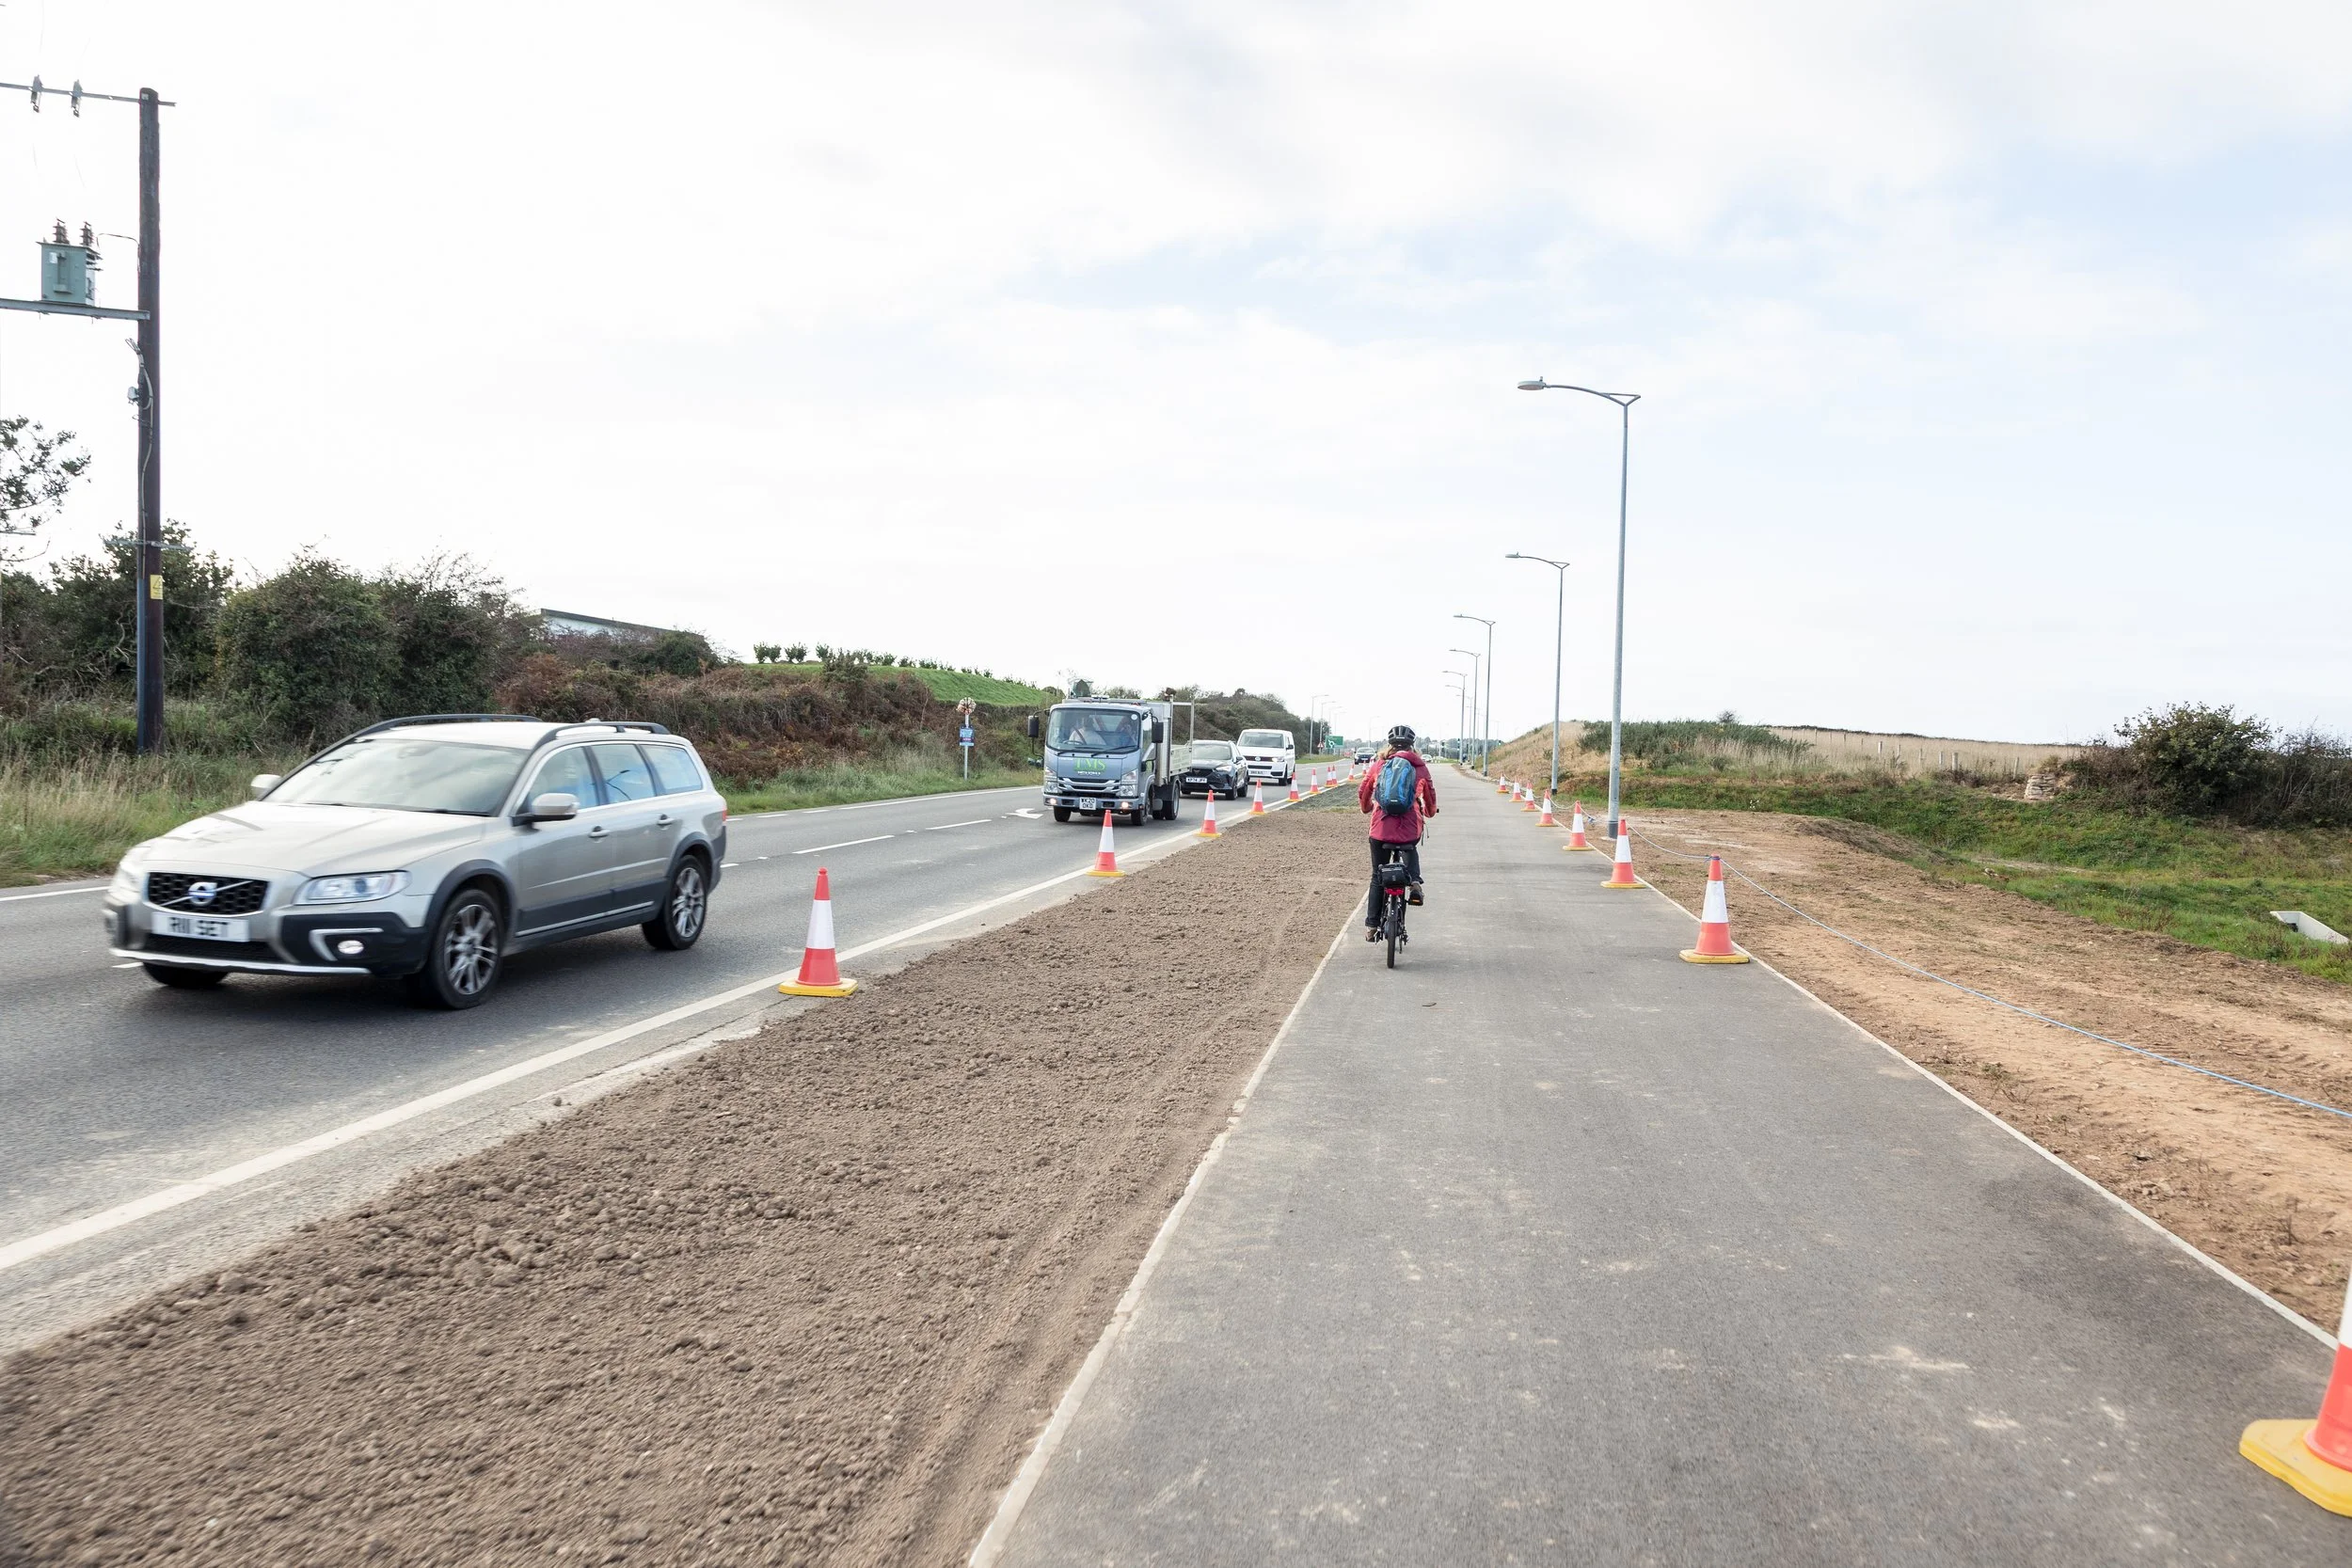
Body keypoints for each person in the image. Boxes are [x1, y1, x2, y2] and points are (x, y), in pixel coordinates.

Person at [1358, 723, 1438, 940]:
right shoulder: (1419, 766)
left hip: (1380, 829)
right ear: (1412, 745)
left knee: (1377, 876)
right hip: (1409, 828)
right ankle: (1414, 883)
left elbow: (1364, 790)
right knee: (1410, 846)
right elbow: (1429, 795)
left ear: (1389, 744)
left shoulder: (1379, 765)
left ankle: (1372, 926)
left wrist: (1366, 808)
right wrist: (1430, 812)